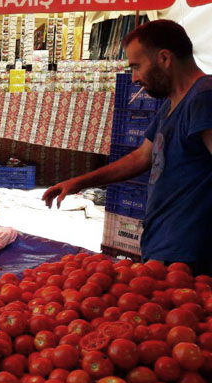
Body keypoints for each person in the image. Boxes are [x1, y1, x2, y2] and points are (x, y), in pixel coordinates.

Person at [43, 20, 212, 274]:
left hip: (190, 253)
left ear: (164, 58)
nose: (134, 78)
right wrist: (80, 182)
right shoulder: (172, 102)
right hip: (164, 245)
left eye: (136, 66)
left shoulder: (204, 98)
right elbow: (142, 157)